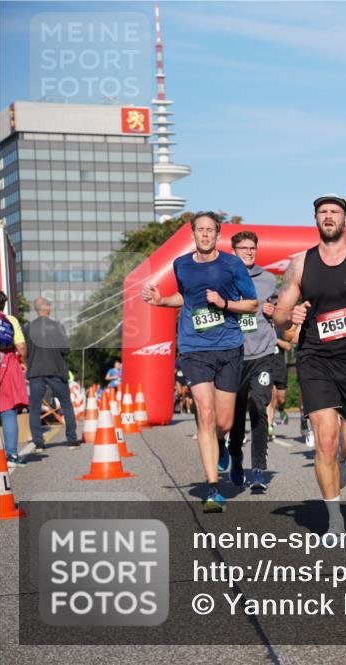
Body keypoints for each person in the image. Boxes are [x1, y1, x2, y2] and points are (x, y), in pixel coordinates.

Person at [273, 193, 346, 539]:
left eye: (334, 212)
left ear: (345, 219)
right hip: (316, 360)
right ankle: (334, 517)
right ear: (316, 220)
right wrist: (289, 316)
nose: (329, 217)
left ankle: (345, 465)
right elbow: (280, 315)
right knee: (325, 440)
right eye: (323, 212)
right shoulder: (300, 264)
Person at [141, 211, 258, 513]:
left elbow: (252, 303)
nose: (205, 235)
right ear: (193, 234)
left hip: (229, 346)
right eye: (200, 230)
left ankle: (222, 446)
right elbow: (186, 298)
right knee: (205, 415)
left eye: (210, 230)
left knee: (225, 422)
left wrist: (224, 304)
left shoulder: (232, 264)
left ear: (218, 235)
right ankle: (213, 489)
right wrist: (161, 301)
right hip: (194, 349)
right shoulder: (181, 265)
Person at [224, 231, 279, 492]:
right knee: (234, 415)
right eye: (243, 248)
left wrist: (274, 311)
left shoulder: (268, 279)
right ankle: (235, 455)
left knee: (258, 406)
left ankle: (258, 469)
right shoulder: (224, 277)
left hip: (263, 354)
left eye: (252, 248)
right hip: (234, 355)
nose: (249, 252)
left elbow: (281, 314)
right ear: (233, 251)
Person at [24, 297, 80, 450]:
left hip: (35, 371)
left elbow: (24, 349)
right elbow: (65, 350)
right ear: (47, 308)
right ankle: (72, 441)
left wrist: (26, 363)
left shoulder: (27, 328)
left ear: (36, 310)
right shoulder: (57, 326)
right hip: (56, 370)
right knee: (66, 405)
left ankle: (38, 443)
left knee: (34, 407)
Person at [0, 291, 29, 466]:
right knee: (8, 410)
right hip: (6, 363)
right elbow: (21, 346)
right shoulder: (10, 320)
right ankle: (11, 455)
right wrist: (23, 360)